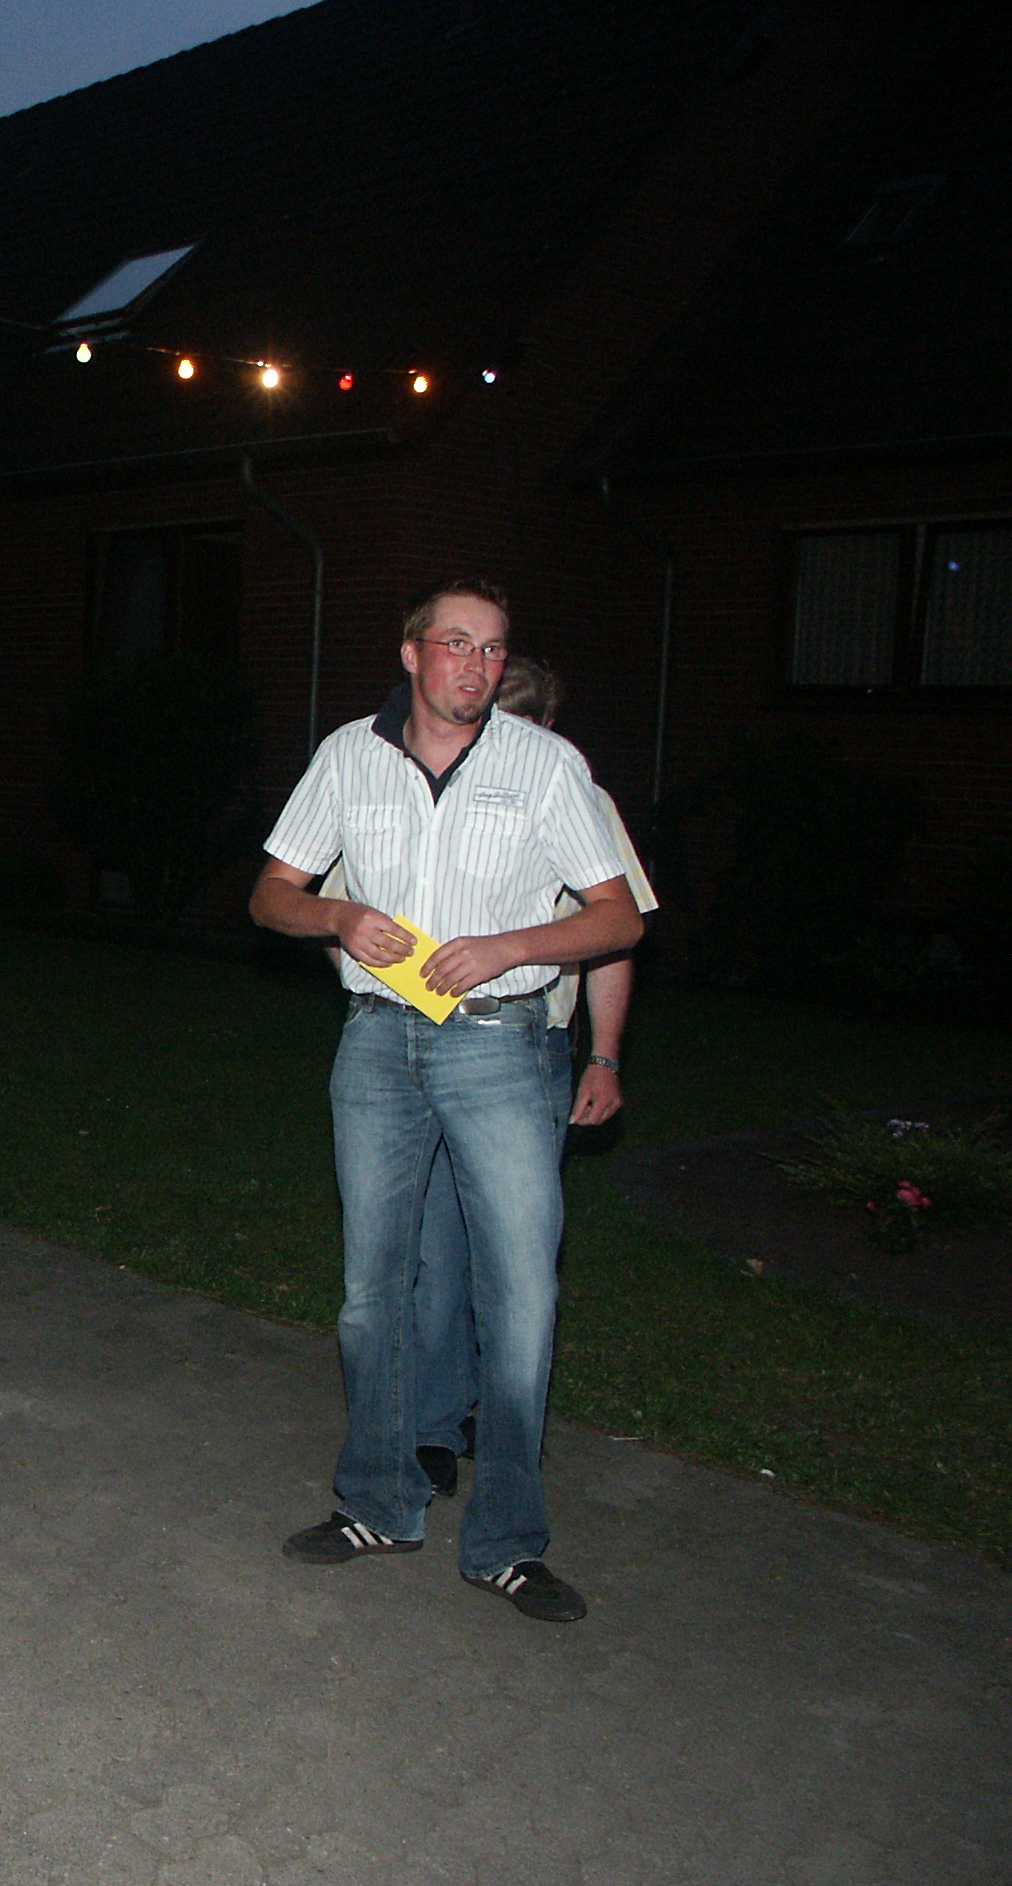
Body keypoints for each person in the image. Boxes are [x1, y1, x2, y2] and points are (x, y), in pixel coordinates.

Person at [250, 582, 641, 1622]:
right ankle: (378, 1502)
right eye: (457, 645)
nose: (476, 666)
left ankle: (507, 1543)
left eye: (493, 649)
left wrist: (512, 947)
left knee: (519, 1300)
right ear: (413, 654)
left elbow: (617, 919)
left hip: (502, 1047)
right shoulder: (348, 755)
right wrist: (336, 917)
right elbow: (269, 894)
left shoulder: (544, 765)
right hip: (378, 1043)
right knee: (370, 1292)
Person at [407, 657, 657, 1501]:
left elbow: (614, 935)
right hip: (429, 1039)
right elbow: (344, 907)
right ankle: (433, 1424)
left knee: (516, 1257)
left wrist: (605, 1056)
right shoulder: (417, 784)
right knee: (437, 1245)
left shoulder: (577, 797)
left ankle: (501, 1418)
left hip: (532, 1048)